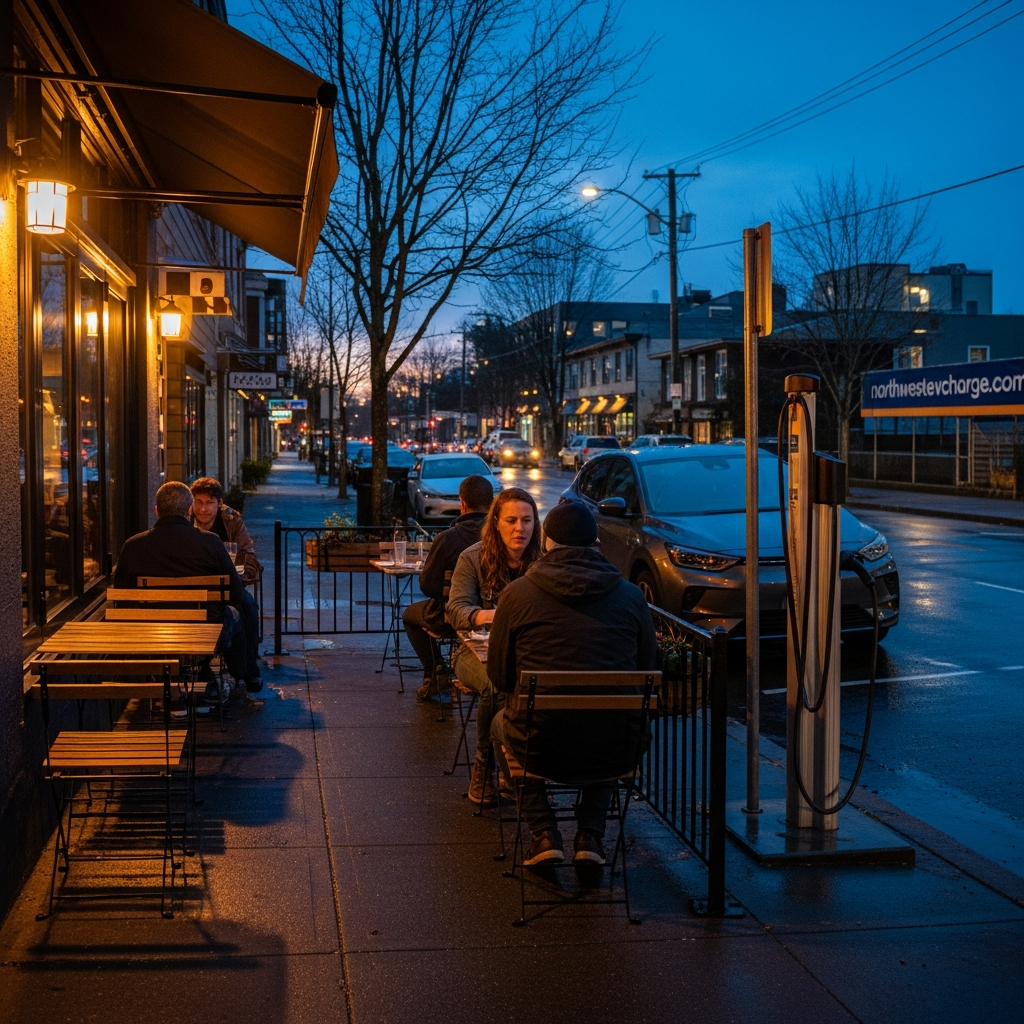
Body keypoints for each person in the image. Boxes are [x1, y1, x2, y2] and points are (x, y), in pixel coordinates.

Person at [487, 500, 656, 867]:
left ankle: (543, 830)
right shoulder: (630, 596)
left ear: (546, 542)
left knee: (498, 724)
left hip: (540, 745)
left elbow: (498, 676)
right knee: (606, 717)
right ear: (595, 541)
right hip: (616, 747)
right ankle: (591, 835)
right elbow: (647, 668)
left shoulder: (517, 596)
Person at [113, 481, 260, 700]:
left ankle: (184, 684)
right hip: (205, 629)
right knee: (237, 612)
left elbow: (121, 596)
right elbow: (235, 593)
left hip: (152, 631)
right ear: (189, 509)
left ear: (157, 511)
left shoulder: (133, 545)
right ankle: (240, 673)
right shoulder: (210, 543)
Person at [446, 487, 542, 805]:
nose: (520, 528)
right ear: (496, 522)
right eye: (512, 520)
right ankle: (484, 768)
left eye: (527, 520)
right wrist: (493, 615)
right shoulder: (472, 558)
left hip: (526, 654)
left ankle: (515, 763)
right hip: (471, 651)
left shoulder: (543, 561)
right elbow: (455, 611)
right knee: (495, 683)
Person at [402, 474, 494, 701]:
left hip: (449, 618)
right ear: (492, 504)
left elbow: (428, 585)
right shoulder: (499, 537)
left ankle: (436, 671)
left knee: (409, 615)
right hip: (492, 616)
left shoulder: (447, 538)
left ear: (462, 503)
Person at [190, 477, 262, 583]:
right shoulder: (186, 517)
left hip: (226, 582)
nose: (203, 509)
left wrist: (241, 575)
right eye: (199, 502)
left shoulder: (231, 519)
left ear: (219, 503)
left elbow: (247, 553)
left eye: (209, 503)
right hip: (192, 582)